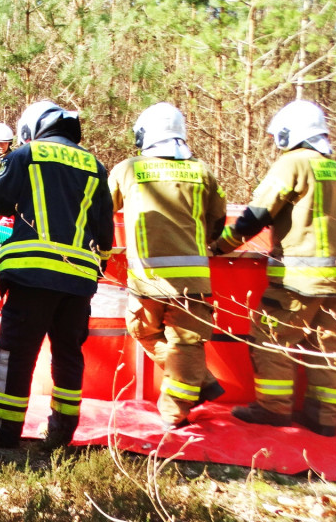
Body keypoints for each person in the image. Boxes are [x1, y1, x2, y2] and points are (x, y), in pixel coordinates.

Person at [0, 101, 114, 450]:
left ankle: (1, 433)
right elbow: (104, 230)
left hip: (32, 275)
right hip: (78, 282)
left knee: (15, 354)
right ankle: (61, 434)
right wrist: (97, 265)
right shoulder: (95, 165)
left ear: (33, 128)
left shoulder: (26, 154)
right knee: (68, 354)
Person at [211, 100, 336, 437]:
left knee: (269, 339)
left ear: (293, 132)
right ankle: (324, 418)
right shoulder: (333, 167)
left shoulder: (292, 163)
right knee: (326, 350)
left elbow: (257, 214)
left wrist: (221, 246)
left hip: (299, 280)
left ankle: (273, 409)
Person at [108, 103, 227, 429]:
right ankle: (197, 384)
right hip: (192, 280)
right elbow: (218, 221)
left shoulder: (128, 169)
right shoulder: (202, 172)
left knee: (142, 330)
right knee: (186, 346)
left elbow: (99, 211)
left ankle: (176, 413)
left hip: (146, 280)